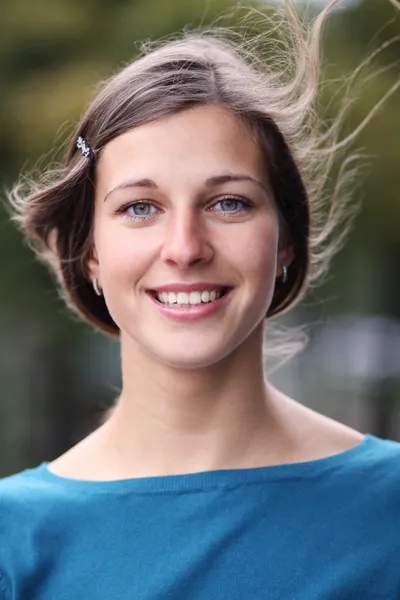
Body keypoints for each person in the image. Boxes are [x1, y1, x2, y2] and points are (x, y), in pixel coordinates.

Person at [1, 0, 400, 598]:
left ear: (285, 239)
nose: (185, 247)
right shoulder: (15, 539)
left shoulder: (389, 510)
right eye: (140, 208)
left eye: (229, 203)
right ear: (90, 255)